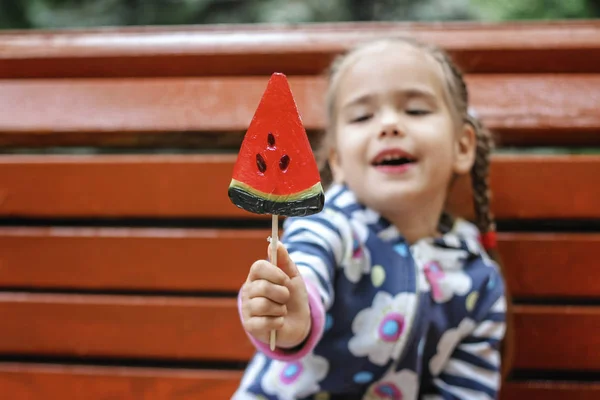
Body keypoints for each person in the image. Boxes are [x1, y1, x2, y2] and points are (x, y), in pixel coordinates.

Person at [232, 36, 511, 400]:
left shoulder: (479, 277)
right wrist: (292, 315)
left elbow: (466, 388)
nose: (389, 125)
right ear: (338, 161)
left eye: (415, 110)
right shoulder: (328, 222)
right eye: (363, 116)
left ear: (462, 146)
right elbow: (305, 267)